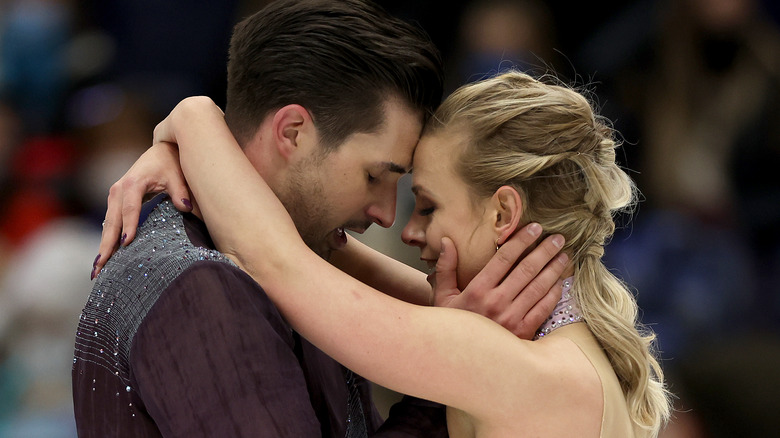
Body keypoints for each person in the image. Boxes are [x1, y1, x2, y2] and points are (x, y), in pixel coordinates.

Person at [74, 1, 565, 437]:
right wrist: (453, 371)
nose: (388, 214)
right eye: (376, 175)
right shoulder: (201, 285)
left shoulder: (308, 259)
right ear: (292, 132)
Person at [109, 70, 673, 436]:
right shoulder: (546, 342)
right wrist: (194, 166)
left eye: (426, 206)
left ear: (503, 213)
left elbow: (276, 260)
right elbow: (322, 244)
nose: (406, 231)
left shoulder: (500, 357)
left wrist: (192, 117)